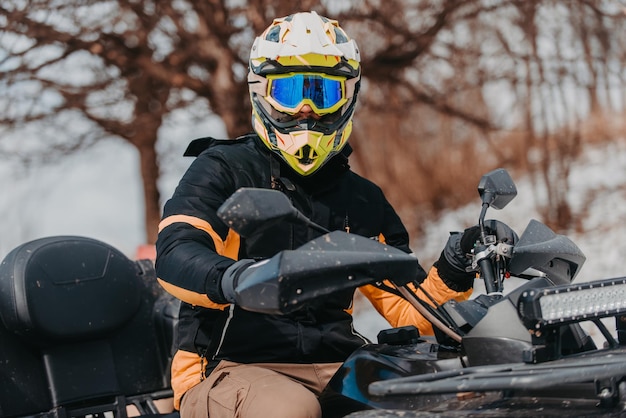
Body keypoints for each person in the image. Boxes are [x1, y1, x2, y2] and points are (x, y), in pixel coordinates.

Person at [155, 11, 493, 418]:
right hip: (229, 369)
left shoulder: (362, 198)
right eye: (290, 91)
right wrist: (237, 278)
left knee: (438, 396)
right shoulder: (223, 168)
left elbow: (407, 307)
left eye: (324, 93)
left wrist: (454, 268)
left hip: (336, 363)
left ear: (349, 96)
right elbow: (174, 253)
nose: (306, 109)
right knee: (292, 410)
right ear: (260, 92)